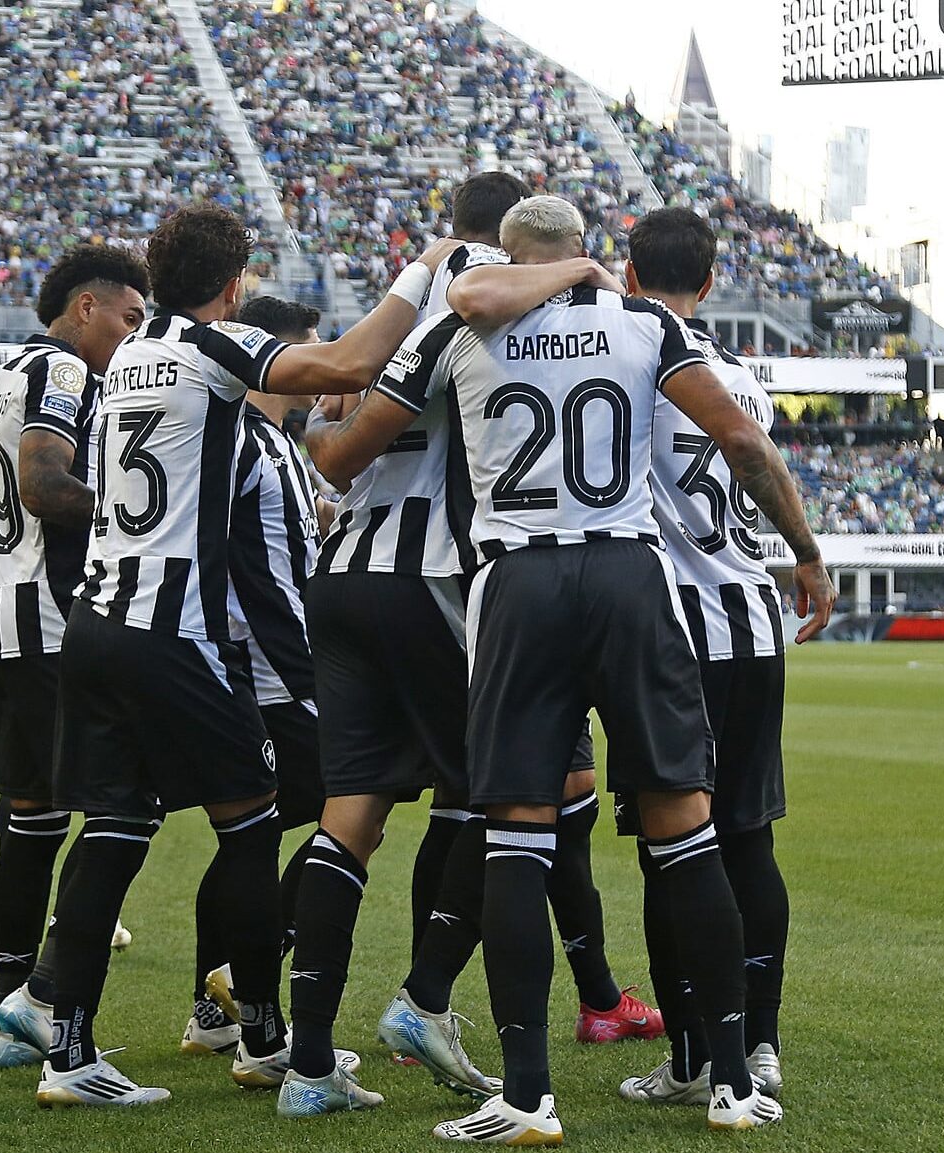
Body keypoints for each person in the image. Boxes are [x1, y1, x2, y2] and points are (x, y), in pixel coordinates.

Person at [354, 195, 830, 1142]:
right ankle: (733, 1077)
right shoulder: (645, 320)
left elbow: (354, 436)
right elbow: (739, 439)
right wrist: (805, 551)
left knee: (517, 838)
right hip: (628, 575)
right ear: (582, 254)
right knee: (688, 828)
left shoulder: (461, 324)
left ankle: (527, 1095)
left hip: (520, 582)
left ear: (509, 257)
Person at [32, 204, 457, 1108]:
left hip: (97, 620)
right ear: (232, 290)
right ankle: (267, 1038)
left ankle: (66, 1051)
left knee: (111, 827)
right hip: (169, 631)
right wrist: (423, 274)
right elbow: (345, 364)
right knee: (252, 823)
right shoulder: (203, 345)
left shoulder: (129, 355)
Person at [277, 172, 646, 1119]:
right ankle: (427, 997)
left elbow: (333, 434)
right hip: (437, 578)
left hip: (345, 571)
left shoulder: (406, 290)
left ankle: (309, 1064)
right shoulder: (495, 296)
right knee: (536, 788)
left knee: (352, 811)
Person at [609, 207, 799, 1108]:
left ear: (631, 274)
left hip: (672, 636)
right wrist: (809, 553)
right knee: (750, 841)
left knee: (671, 848)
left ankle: (689, 1057)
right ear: (713, 281)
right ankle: (758, 1042)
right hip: (754, 620)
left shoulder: (634, 358)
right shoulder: (743, 381)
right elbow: (754, 458)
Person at [0, 243, 150, 1070]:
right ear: (87, 308)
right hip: (49, 614)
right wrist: (134, 510)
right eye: (128, 317)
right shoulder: (64, 375)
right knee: (125, 803)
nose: (132, 333)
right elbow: (44, 486)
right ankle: (50, 1004)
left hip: (2, 613)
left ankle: (16, 1009)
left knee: (32, 820)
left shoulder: (12, 372)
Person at [176, 295, 334, 1061]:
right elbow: (252, 571)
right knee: (355, 801)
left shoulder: (279, 444)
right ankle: (252, 973)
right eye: (308, 350)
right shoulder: (242, 442)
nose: (317, 364)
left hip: (277, 665)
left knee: (253, 831)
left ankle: (213, 1008)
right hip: (273, 669)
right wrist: (311, 670)